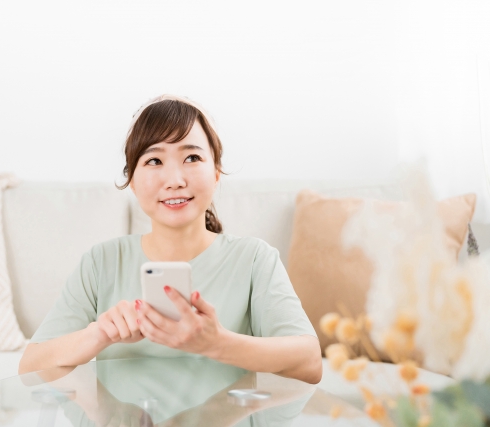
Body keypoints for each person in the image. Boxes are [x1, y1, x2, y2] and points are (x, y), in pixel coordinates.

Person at [18, 94, 322, 384]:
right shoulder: (101, 263)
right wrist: (99, 334)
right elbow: (30, 367)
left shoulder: (254, 259)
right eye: (154, 161)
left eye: (192, 157)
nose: (175, 181)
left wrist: (217, 343)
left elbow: (310, 362)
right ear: (132, 181)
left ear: (216, 172)